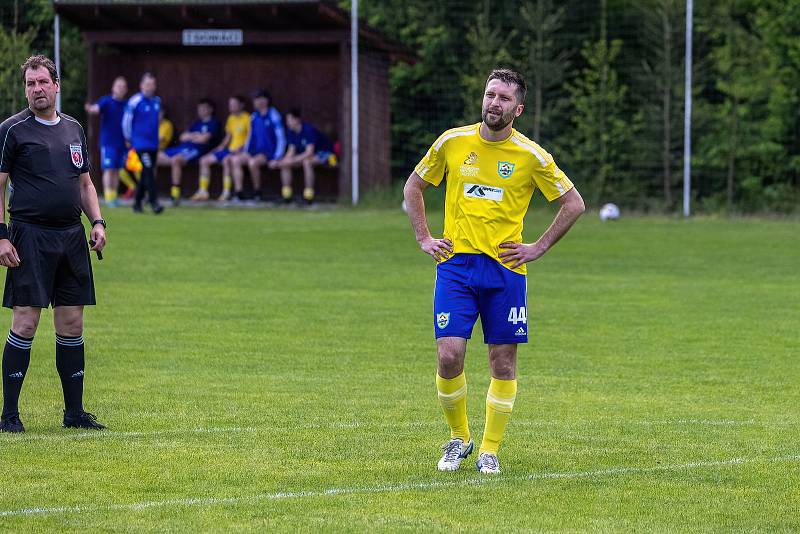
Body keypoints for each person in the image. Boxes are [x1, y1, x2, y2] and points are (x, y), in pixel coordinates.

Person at [403, 69, 585, 474]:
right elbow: (413, 187)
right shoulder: (452, 142)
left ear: (517, 109)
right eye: (489, 95)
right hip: (456, 266)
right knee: (449, 355)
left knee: (502, 362)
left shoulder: (531, 155)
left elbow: (574, 203)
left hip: (505, 271)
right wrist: (424, 238)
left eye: (503, 98)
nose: (493, 103)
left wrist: (537, 247)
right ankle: (458, 439)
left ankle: (489, 449)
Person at [0, 55, 108, 433]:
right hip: (28, 235)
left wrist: (97, 222)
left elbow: (85, 184)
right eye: (30, 84)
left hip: (71, 236)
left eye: (42, 82)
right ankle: (9, 415)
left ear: (56, 85)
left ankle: (74, 413)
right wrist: (0, 235)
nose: (36, 89)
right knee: (26, 321)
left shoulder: (74, 128)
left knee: (72, 322)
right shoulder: (12, 130)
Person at [84, 76, 136, 206]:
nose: (121, 89)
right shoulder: (106, 101)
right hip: (108, 143)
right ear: (113, 88)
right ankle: (108, 197)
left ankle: (114, 196)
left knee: (117, 170)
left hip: (122, 143)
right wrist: (91, 109)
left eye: (123, 87)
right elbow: (96, 109)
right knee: (109, 169)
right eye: (119, 86)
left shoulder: (127, 105)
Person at [158, 98, 221, 206]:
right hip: (182, 148)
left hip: (195, 150)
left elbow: (204, 139)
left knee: (176, 160)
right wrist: (196, 135)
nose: (201, 111)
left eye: (204, 108)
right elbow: (183, 137)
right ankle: (147, 190)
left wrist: (193, 137)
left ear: (210, 109)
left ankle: (175, 192)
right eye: (200, 109)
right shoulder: (196, 123)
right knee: (155, 156)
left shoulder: (213, 123)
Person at [270, 108, 337, 205]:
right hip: (307, 155)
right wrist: (281, 161)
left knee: (307, 162)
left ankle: (308, 197)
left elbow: (309, 152)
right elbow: (291, 151)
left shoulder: (308, 130)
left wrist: (292, 160)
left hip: (328, 155)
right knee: (285, 164)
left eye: (290, 120)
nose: (288, 123)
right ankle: (286, 196)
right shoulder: (291, 132)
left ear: (297, 120)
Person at [191, 95, 250, 202]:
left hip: (239, 151)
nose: (231, 107)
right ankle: (203, 191)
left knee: (226, 161)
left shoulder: (247, 118)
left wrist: (241, 149)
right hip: (229, 149)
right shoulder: (231, 119)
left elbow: (250, 138)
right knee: (204, 160)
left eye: (234, 104)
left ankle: (226, 192)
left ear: (241, 105)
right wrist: (220, 148)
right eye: (230, 105)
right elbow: (228, 137)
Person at [231, 89, 286, 202]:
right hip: (254, 151)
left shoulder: (273, 114)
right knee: (235, 160)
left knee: (253, 163)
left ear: (265, 101)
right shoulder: (254, 116)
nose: (256, 102)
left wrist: (277, 156)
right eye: (255, 100)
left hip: (268, 152)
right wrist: (246, 151)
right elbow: (250, 136)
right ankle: (238, 193)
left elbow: (281, 137)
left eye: (258, 99)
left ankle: (257, 192)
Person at [122, 72, 164, 214]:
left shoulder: (157, 101)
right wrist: (128, 138)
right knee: (148, 171)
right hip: (140, 144)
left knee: (148, 172)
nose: (150, 87)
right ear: (141, 85)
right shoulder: (135, 101)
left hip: (153, 144)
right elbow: (126, 121)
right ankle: (154, 202)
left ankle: (137, 203)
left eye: (152, 84)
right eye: (147, 84)